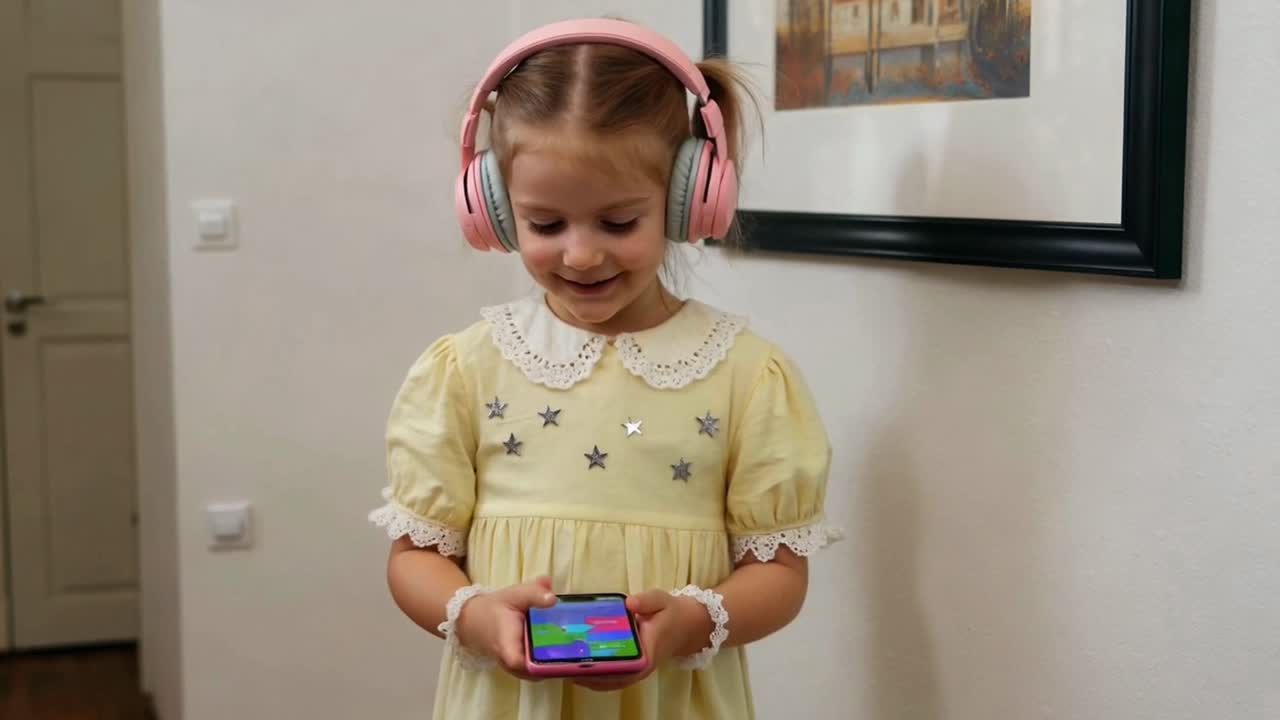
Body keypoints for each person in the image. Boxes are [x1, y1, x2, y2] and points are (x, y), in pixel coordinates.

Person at [368, 18, 842, 720]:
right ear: (496, 211)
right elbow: (413, 560)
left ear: (687, 201)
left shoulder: (747, 376)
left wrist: (692, 620)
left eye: (618, 223)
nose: (581, 255)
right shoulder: (465, 370)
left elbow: (779, 574)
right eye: (546, 225)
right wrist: (475, 615)